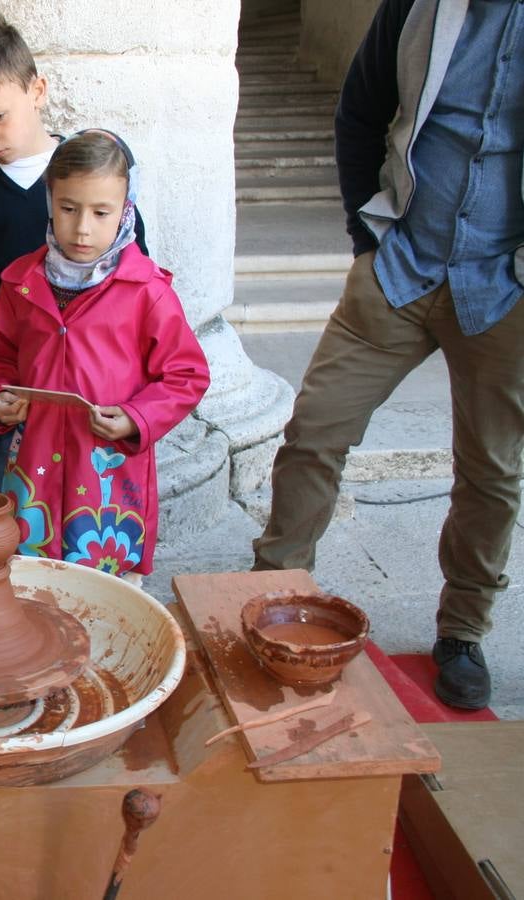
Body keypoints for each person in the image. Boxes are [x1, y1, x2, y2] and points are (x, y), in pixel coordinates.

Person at [253, 0, 523, 711]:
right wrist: (365, 238)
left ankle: (463, 632)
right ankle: (270, 595)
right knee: (315, 430)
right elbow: (361, 111)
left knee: (492, 470)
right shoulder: (418, 6)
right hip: (401, 267)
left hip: (505, 288)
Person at [0, 131, 209, 580]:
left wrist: (136, 418)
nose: (83, 227)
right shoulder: (20, 283)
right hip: (34, 470)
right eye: (68, 208)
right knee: (32, 585)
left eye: (101, 212)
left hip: (108, 476)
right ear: (49, 200)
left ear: (126, 209)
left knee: (107, 593)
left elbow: (186, 375)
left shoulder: (148, 292)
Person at [0, 11, 147, 491]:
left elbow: (136, 268)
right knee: (3, 504)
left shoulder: (91, 176)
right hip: (6, 385)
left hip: (88, 391)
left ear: (37, 91)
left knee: (84, 511)